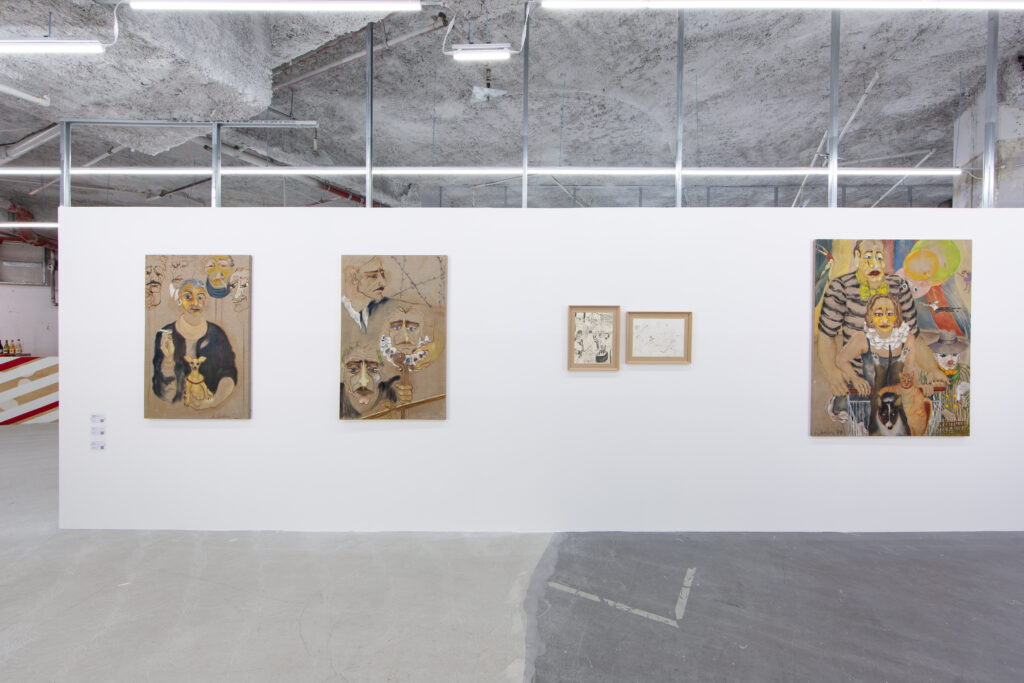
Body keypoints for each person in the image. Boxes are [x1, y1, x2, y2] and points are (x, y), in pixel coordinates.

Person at [817, 239, 945, 396]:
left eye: (879, 257)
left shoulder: (899, 285)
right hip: (857, 382)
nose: (874, 264)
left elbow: (914, 336)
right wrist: (832, 372)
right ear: (857, 257)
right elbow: (826, 335)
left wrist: (932, 369)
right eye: (868, 257)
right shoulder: (840, 287)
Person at [152, 279, 237, 410]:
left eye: (200, 297)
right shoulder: (165, 335)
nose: (195, 303)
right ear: (179, 299)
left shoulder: (217, 334)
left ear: (205, 301)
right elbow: (164, 395)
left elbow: (228, 374)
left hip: (210, 411)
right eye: (188, 297)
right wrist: (168, 361)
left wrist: (212, 401)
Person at [340, 345, 399, 418]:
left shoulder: (391, 395)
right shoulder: (338, 397)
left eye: (373, 370)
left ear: (382, 374)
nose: (363, 382)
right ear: (342, 373)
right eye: (353, 370)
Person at [343, 256, 398, 333]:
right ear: (354, 277)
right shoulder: (340, 313)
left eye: (382, 274)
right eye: (373, 276)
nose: (383, 283)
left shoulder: (381, 309)